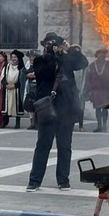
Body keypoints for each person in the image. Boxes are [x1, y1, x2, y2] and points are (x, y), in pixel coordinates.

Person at [26, 32, 88, 192]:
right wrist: (53, 56)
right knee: (42, 146)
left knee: (65, 147)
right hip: (48, 110)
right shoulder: (41, 60)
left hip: (66, 110)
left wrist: (68, 50)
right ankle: (34, 181)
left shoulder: (67, 60)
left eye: (54, 43)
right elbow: (43, 74)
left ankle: (63, 180)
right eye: (48, 43)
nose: (51, 46)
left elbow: (83, 62)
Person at [84, 48, 109, 132]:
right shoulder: (92, 66)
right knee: (97, 108)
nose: (102, 56)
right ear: (97, 55)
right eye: (100, 54)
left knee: (105, 108)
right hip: (96, 90)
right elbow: (88, 78)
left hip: (105, 89)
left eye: (104, 54)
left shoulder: (108, 65)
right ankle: (99, 125)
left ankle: (104, 125)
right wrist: (89, 88)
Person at [1, 50, 25, 129]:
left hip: (16, 89)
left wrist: (15, 85)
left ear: (18, 58)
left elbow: (22, 79)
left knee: (17, 105)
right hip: (8, 89)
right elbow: (3, 77)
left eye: (15, 57)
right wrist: (6, 84)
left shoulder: (21, 67)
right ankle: (4, 122)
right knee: (7, 105)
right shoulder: (7, 66)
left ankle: (17, 122)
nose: (13, 59)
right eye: (12, 57)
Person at [20, 49, 38, 130]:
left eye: (33, 57)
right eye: (30, 57)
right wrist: (27, 75)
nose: (31, 58)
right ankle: (32, 122)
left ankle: (37, 122)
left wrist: (35, 75)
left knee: (37, 105)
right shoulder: (26, 66)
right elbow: (22, 75)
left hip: (37, 87)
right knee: (29, 104)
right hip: (29, 87)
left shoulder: (39, 65)